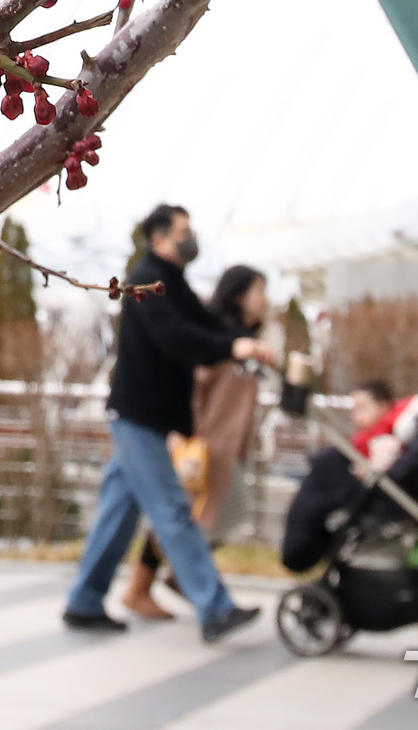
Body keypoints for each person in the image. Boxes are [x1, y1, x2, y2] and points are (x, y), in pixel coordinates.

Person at [64, 206, 274, 642]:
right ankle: (214, 607)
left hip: (146, 416)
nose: (189, 237)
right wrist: (233, 348)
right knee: (173, 511)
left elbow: (203, 323)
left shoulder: (170, 283)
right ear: (159, 239)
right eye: (182, 231)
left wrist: (239, 340)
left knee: (118, 513)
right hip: (140, 416)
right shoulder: (147, 282)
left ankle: (85, 600)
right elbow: (180, 338)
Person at [122, 265, 272, 620]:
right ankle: (139, 588)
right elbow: (192, 383)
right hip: (203, 446)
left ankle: (179, 578)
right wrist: (179, 433)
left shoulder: (242, 340)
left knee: (219, 512)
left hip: (227, 446)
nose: (266, 300)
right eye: (260, 291)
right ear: (240, 296)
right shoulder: (219, 340)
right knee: (182, 517)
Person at [281, 376, 418, 573]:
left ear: (384, 407)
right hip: (358, 497)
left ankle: (298, 550)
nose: (355, 417)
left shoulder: (387, 439)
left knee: (326, 464)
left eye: (363, 408)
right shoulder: (369, 441)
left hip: (365, 497)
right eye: (354, 409)